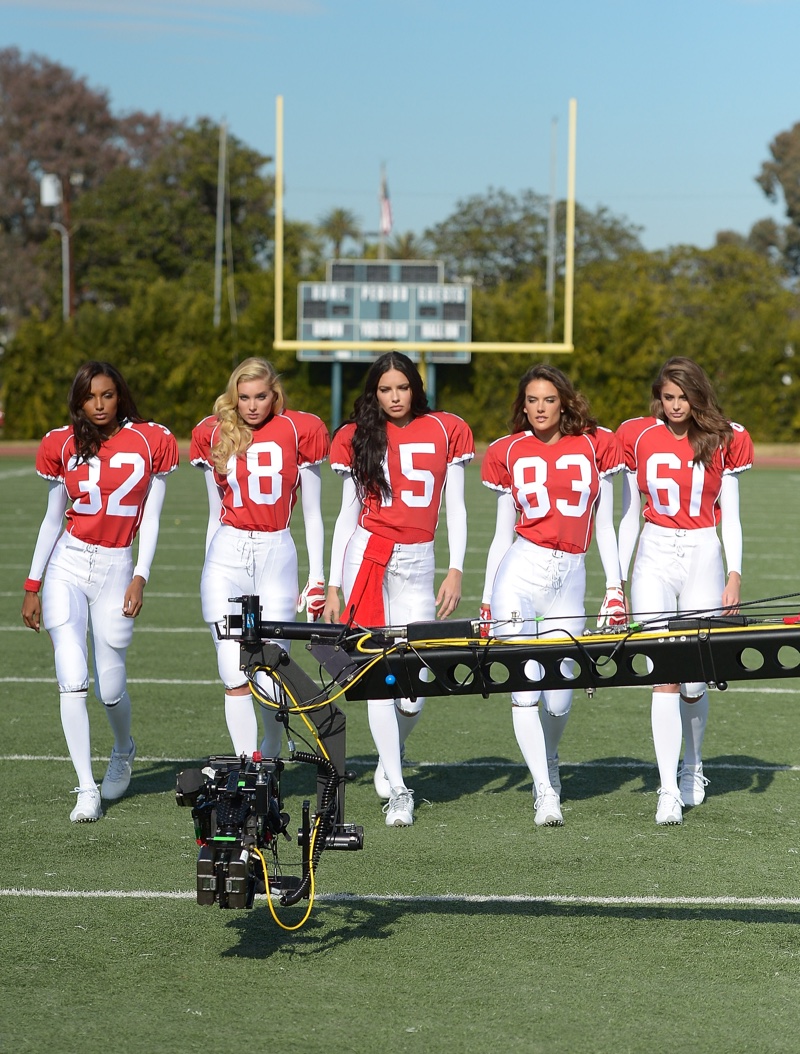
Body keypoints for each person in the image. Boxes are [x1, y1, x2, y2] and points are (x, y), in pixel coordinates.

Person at [21, 361, 179, 823]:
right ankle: (85, 787)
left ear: (120, 395)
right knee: (71, 674)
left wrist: (141, 574)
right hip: (67, 563)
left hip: (116, 565)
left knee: (110, 685)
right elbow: (53, 519)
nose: (99, 405)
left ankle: (124, 748)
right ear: (78, 400)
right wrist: (33, 584)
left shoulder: (152, 440)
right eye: (90, 397)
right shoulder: (61, 443)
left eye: (107, 395)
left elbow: (150, 516)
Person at [322, 351, 474, 827]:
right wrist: (332, 582)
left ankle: (392, 753)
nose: (393, 397)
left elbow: (457, 508)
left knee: (416, 685)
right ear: (374, 391)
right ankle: (398, 787)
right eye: (385, 389)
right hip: (369, 555)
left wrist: (455, 568)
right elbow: (347, 515)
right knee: (378, 678)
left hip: (418, 560)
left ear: (415, 388)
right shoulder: (355, 435)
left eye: (402, 388)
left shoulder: (446, 429)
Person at [481, 364, 625, 828]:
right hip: (520, 572)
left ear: (563, 400)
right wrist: (486, 598)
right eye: (531, 401)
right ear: (522, 406)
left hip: (571, 577)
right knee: (524, 688)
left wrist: (614, 588)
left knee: (560, 694)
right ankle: (545, 791)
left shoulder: (595, 443)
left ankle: (550, 755)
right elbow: (502, 536)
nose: (540, 408)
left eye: (548, 399)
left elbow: (604, 525)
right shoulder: (508, 450)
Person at [617, 356, 753, 826]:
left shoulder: (726, 437)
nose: (676, 406)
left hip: (702, 552)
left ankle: (694, 765)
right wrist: (617, 581)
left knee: (694, 679)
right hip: (654, 552)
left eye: (684, 397)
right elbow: (629, 513)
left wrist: (734, 574)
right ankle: (668, 788)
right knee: (664, 672)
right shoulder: (637, 435)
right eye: (668, 397)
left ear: (699, 394)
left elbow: (729, 514)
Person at [190, 357, 329, 759]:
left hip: (276, 553)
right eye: (244, 397)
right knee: (232, 669)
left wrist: (316, 577)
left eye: (261, 396)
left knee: (270, 670)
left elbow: (313, 513)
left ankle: (269, 745)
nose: (252, 405)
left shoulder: (299, 430)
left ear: (274, 394)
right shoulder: (214, 432)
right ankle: (248, 767)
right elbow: (214, 513)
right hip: (227, 555)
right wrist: (208, 567)